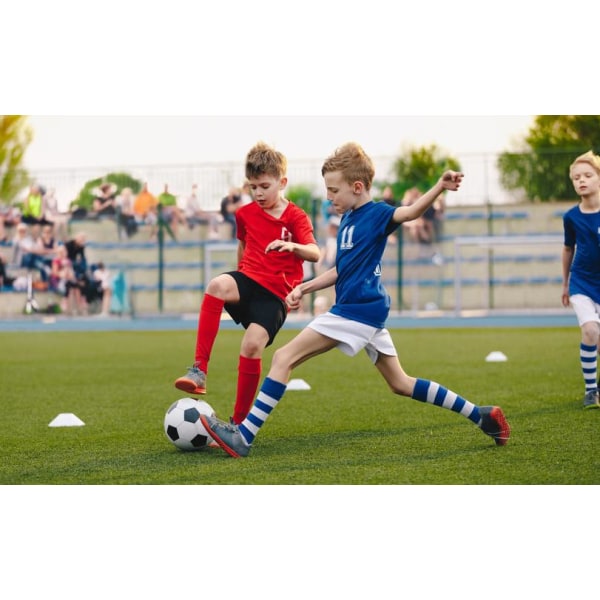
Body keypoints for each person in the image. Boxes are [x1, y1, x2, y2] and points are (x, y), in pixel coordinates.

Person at [200, 142, 511, 458]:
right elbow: (340, 270)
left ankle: (245, 435)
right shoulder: (347, 219)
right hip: (366, 312)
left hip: (355, 312)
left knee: (283, 357)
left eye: (334, 190)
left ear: (358, 187)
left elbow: (411, 211)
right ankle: (482, 415)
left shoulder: (377, 214)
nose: (329, 197)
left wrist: (440, 187)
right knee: (401, 383)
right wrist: (304, 288)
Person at [174, 141, 320, 425]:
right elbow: (243, 245)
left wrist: (292, 248)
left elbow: (315, 253)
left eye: (264, 186)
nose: (258, 193)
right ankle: (198, 371)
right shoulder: (244, 214)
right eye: (253, 187)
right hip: (249, 281)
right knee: (217, 285)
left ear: (282, 182)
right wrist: (239, 274)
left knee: (251, 346)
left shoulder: (296, 217)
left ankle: (239, 425)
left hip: (275, 296)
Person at [561, 150, 600, 410]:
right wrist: (565, 283)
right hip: (582, 283)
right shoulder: (570, 217)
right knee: (590, 331)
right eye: (576, 177)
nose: (581, 180)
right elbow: (568, 249)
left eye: (587, 175)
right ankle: (590, 391)